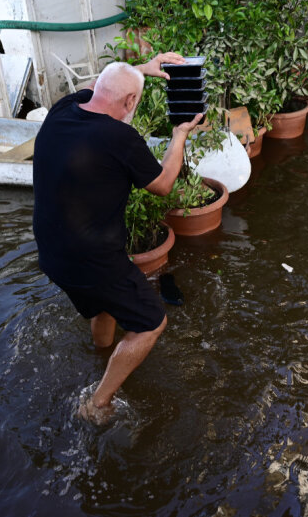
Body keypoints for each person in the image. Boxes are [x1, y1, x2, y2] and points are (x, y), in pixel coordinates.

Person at [32, 53, 202, 424]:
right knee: (150, 322)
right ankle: (97, 403)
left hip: (51, 251)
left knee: (103, 305)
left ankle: (100, 353)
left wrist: (139, 70)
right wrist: (180, 135)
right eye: (133, 102)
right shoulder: (119, 137)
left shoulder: (62, 110)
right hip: (92, 259)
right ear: (130, 102)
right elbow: (163, 184)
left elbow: (94, 87)